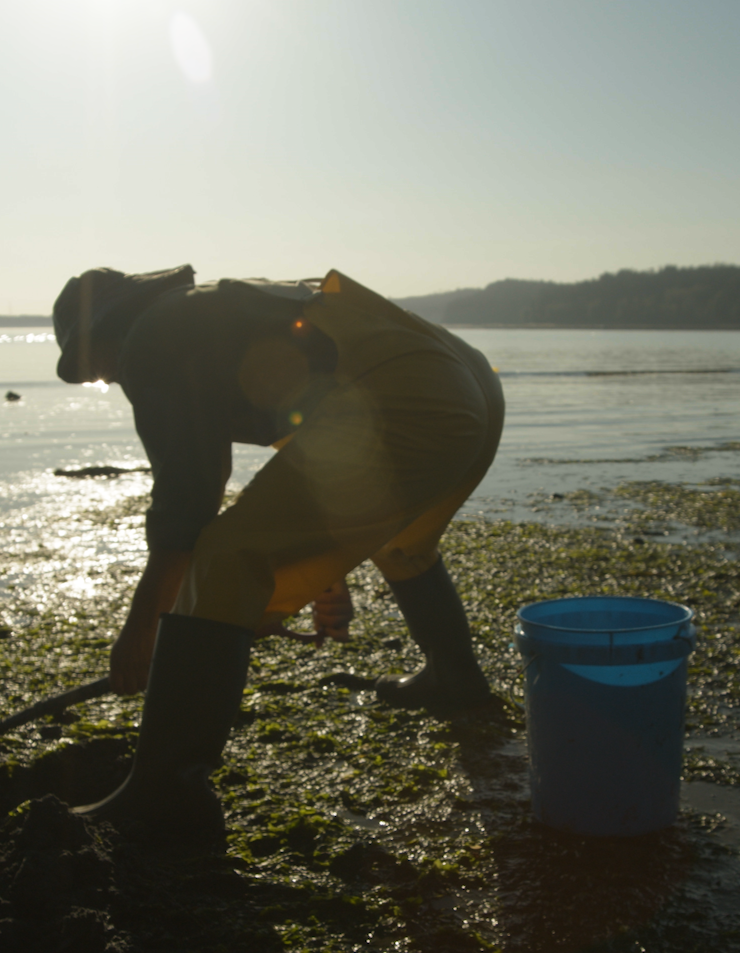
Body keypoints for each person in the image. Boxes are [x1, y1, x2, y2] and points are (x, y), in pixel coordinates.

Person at [51, 265, 505, 842]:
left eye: (95, 367)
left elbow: (186, 510)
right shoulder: (216, 312)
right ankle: (454, 676)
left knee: (224, 556)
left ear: (103, 334)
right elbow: (316, 415)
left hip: (412, 395)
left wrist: (141, 633)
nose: (108, 380)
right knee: (402, 543)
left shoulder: (151, 341)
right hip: (467, 383)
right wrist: (321, 569)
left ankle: (167, 789)